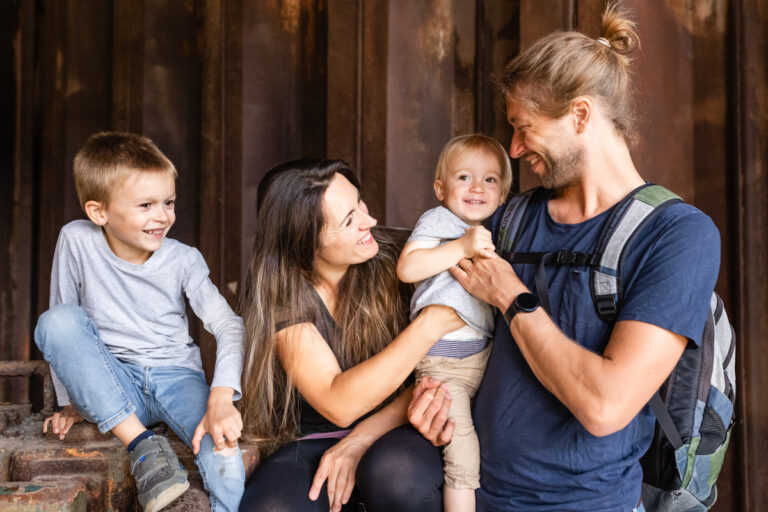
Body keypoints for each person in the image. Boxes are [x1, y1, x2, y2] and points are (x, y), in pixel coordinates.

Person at [407, 4, 721, 511]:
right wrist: (437, 399)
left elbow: (605, 405)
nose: (511, 149)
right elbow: (459, 340)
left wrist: (511, 294)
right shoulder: (512, 218)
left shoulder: (678, 235)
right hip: (474, 495)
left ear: (579, 114)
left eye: (524, 128)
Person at [34, 132, 246, 512]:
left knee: (223, 447)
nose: (163, 216)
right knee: (56, 321)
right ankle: (143, 445)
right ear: (99, 212)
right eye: (146, 205)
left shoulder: (184, 259)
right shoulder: (76, 240)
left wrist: (221, 396)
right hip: (115, 382)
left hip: (178, 377)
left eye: (168, 202)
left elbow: (230, 325)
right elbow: (65, 324)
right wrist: (70, 402)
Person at [237, 159, 463, 512]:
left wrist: (364, 437)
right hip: (315, 438)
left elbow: (446, 366)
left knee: (396, 476)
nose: (369, 220)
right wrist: (430, 324)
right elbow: (338, 403)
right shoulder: (282, 292)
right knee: (271, 509)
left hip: (404, 424)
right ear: (304, 242)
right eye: (348, 220)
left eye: (360, 203)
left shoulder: (406, 257)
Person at [396, 133, 511, 512]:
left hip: (485, 356)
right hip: (445, 365)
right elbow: (408, 268)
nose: (477, 187)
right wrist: (460, 248)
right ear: (440, 188)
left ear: (504, 193)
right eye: (464, 177)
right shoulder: (440, 220)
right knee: (462, 454)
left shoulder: (499, 231)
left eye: (490, 180)